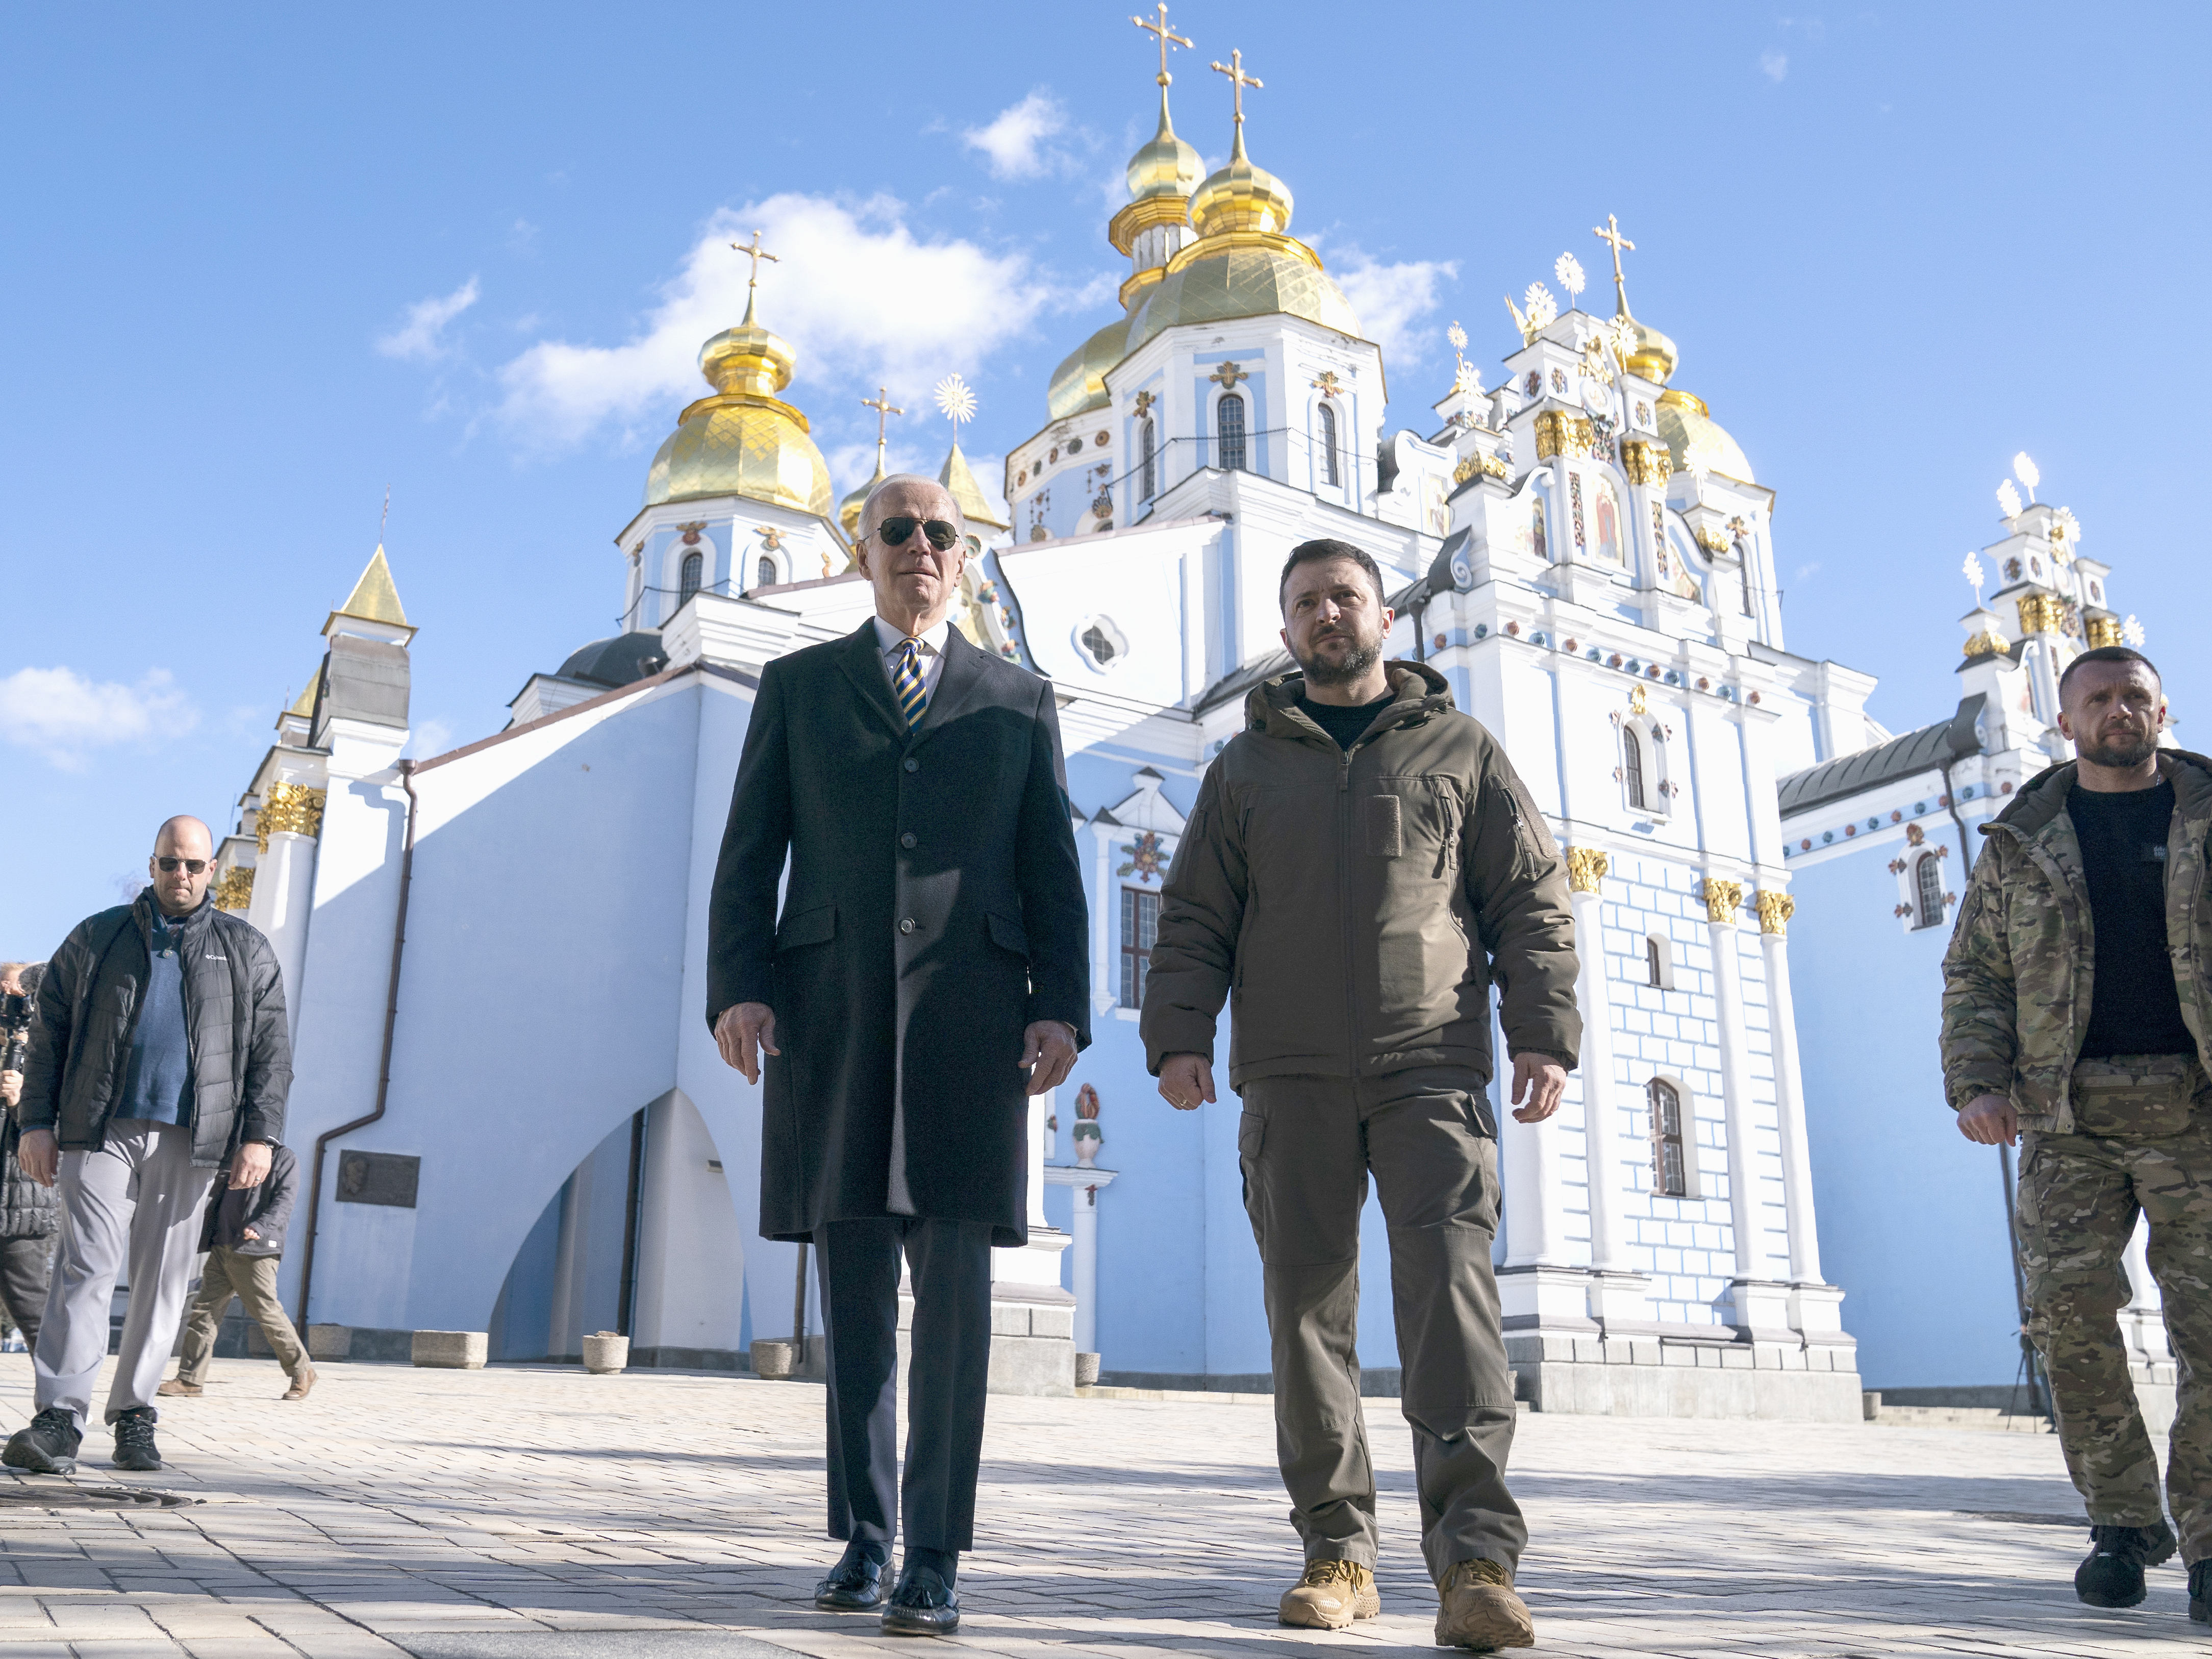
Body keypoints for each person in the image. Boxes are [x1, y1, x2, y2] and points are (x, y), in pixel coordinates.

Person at [1142, 538, 1581, 1652]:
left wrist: (1543, 1033)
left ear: (1383, 615)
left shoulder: (1458, 748)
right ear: (1286, 632)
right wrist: (1177, 1038)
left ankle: (1476, 1563)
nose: (1326, 615)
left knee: (1452, 1308)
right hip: (1287, 1075)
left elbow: (1527, 898)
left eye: (1344, 596)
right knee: (1306, 1318)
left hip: (1428, 1064)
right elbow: (1194, 914)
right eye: (1305, 604)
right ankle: (1336, 1552)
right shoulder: (1243, 770)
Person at [708, 474, 1090, 1636]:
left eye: (940, 533)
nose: (919, 547)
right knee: (857, 1295)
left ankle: (933, 1552)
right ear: (861, 551)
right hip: (831, 1019)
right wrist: (740, 989)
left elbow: (1051, 867)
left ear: (962, 558)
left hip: (973, 1029)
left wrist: (1061, 1006)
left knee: (958, 1308)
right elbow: (748, 854)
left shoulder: (1017, 698)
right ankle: (864, 1537)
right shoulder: (800, 686)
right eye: (897, 531)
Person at [1944, 644, 2212, 1626]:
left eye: (2133, 696)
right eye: (2096, 699)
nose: (2117, 711)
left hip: (2197, 1115)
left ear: (2160, 707)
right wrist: (1976, 1083)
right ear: (2066, 721)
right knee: (2069, 1324)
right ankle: (2123, 1523)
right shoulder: (2019, 842)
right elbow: (1973, 974)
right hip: (2066, 1121)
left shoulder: (2206, 818)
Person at [3, 815, 292, 1475]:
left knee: (164, 1281)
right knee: (83, 1270)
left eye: (192, 865)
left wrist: (261, 1136)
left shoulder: (245, 949)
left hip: (196, 1138)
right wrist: (36, 1123)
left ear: (211, 869)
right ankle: (59, 1420)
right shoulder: (98, 937)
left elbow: (271, 1054)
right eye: (169, 864)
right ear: (153, 865)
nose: (180, 876)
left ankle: (135, 1415)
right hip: (100, 1131)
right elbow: (49, 1036)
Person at [159, 1140, 313, 1401]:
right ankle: (190, 1379)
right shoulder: (235, 1151)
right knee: (204, 1311)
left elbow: (285, 1200)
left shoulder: (284, 1158)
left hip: (255, 1247)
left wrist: (262, 1227)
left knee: (266, 1312)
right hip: (223, 1243)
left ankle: (302, 1372)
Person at [0, 963, 58, 1350]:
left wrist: (23, 1100)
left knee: (34, 1311)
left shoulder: (51, 1048)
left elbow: (64, 1127)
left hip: (22, 1206)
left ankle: (62, 1402)